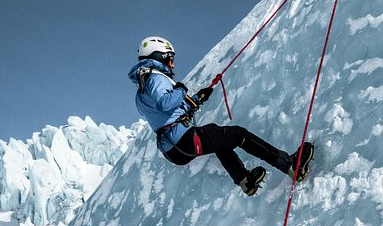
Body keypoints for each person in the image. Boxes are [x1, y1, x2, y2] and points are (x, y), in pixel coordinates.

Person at [128, 36, 314, 196]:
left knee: (216, 134)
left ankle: (245, 180)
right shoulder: (155, 77)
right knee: (239, 135)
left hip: (173, 150)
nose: (173, 64)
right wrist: (181, 89)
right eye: (170, 59)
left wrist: (196, 99)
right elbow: (166, 103)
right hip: (183, 140)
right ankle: (291, 165)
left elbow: (166, 113)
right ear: (159, 56)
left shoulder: (141, 91)